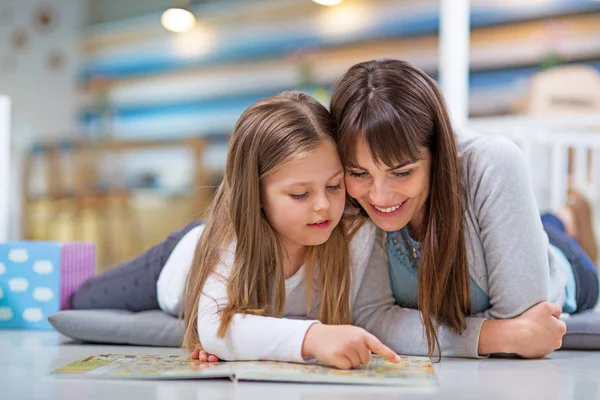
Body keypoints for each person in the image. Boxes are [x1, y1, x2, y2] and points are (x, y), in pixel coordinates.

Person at [74, 91, 400, 370]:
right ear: (255, 193)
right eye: (299, 194)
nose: (323, 207)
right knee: (81, 300)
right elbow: (217, 329)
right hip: (178, 260)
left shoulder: (356, 232)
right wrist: (312, 337)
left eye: (334, 186)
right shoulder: (232, 238)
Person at [326, 59, 597, 358]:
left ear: (439, 152)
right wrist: (492, 336)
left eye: (402, 172)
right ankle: (560, 217)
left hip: (567, 267)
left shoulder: (493, 161)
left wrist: (414, 330)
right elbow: (372, 319)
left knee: (553, 234)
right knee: (546, 222)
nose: (379, 196)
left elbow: (522, 319)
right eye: (360, 174)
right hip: (494, 230)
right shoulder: (344, 186)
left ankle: (568, 219)